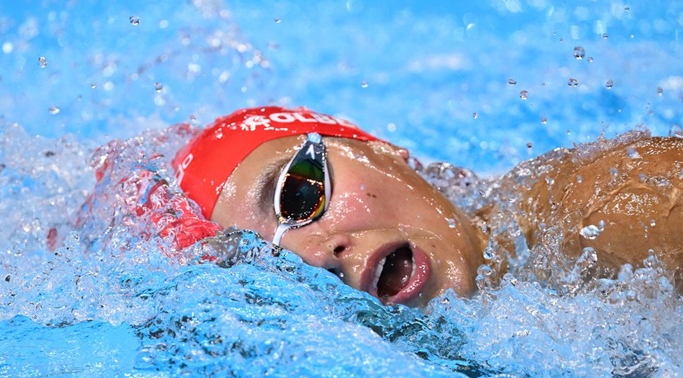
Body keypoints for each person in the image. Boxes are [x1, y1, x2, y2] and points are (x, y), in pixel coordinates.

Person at [168, 105, 683, 308]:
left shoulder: (609, 210)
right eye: (273, 266)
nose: (312, 255)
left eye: (298, 196)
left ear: (380, 150)